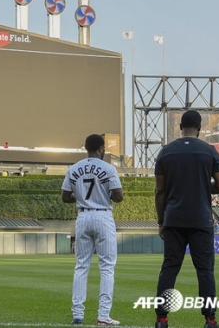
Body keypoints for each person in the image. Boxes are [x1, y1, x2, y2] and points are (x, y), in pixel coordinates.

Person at [154, 110, 219, 328]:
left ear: (180, 127)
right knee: (204, 270)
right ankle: (210, 320)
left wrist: (161, 222)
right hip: (201, 220)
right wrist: (202, 185)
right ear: (200, 128)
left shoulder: (165, 152)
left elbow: (160, 192)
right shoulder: (209, 151)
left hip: (174, 219)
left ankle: (161, 319)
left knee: (169, 269)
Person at [61, 134, 124, 326]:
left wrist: (80, 198)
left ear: (86, 148)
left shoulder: (73, 168)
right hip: (103, 215)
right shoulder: (108, 168)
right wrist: (104, 195)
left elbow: (65, 197)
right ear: (101, 149)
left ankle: (77, 315)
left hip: (83, 216)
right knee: (107, 267)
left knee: (81, 266)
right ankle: (103, 316)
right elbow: (119, 196)